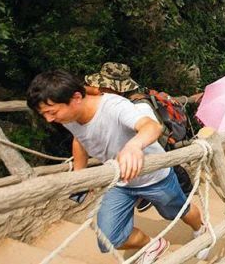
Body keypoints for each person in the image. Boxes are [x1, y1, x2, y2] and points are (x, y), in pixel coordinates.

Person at [26, 70, 207, 263]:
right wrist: (80, 176)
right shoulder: (69, 116)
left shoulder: (113, 106)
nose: (49, 119)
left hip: (153, 176)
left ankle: (201, 230)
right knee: (109, 239)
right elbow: (80, 139)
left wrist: (133, 146)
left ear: (76, 98)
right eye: (44, 114)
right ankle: (152, 245)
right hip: (119, 181)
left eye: (51, 112)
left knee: (179, 212)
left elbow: (152, 126)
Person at [84, 62, 195, 213]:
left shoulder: (138, 105)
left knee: (179, 205)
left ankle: (194, 218)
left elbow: (153, 133)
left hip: (155, 159)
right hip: (148, 160)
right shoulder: (120, 101)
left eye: (103, 86)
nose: (99, 90)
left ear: (114, 88)